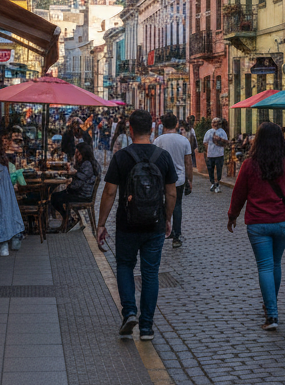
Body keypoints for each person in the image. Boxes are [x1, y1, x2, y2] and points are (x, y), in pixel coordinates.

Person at [97, 109, 178, 341]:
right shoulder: (162, 157)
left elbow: (110, 192)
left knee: (124, 266)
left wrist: (101, 223)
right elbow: (171, 193)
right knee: (150, 273)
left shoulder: (121, 157)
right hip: (154, 224)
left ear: (130, 130)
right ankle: (146, 327)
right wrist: (168, 218)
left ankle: (129, 312)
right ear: (152, 129)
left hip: (127, 224)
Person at [228, 121, 285, 331]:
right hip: (282, 223)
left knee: (265, 266)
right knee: (275, 264)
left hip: (257, 223)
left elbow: (239, 194)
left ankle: (272, 315)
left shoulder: (249, 165)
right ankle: (270, 305)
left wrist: (232, 216)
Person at [154, 113, 194, 248]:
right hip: (179, 179)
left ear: (163, 125)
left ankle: (164, 230)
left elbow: (154, 161)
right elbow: (188, 163)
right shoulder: (183, 141)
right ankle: (176, 235)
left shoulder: (158, 141)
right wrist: (190, 180)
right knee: (177, 205)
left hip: (162, 179)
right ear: (176, 124)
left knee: (162, 204)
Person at [50, 142, 98, 230]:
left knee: (54, 197)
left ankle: (68, 218)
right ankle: (68, 218)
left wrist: (69, 184)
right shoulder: (87, 163)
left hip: (82, 195)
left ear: (83, 154)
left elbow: (77, 185)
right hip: (81, 193)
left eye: (78, 154)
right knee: (56, 196)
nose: (76, 156)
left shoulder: (87, 165)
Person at [203, 117, 228, 192]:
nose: (213, 124)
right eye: (212, 122)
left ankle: (218, 183)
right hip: (210, 154)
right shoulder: (209, 132)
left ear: (218, 124)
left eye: (215, 122)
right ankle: (212, 182)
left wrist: (219, 140)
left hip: (219, 154)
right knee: (210, 169)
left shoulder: (222, 132)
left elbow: (225, 142)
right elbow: (205, 142)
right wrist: (208, 150)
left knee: (219, 169)